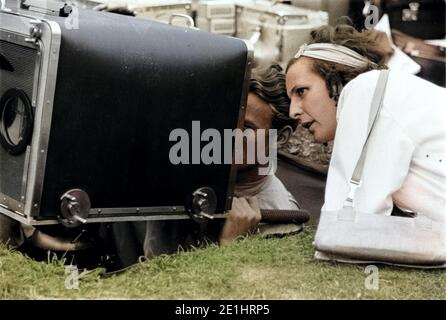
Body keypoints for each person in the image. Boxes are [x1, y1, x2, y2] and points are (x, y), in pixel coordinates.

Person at [103, 64, 302, 268]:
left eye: (247, 128)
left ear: (281, 137)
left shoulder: (281, 220)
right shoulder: (187, 173)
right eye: (227, 121)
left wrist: (232, 247)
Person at [284, 19, 446, 221]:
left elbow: (351, 224)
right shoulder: (393, 91)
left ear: (336, 75)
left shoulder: (366, 88)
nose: (293, 111)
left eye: (301, 91)